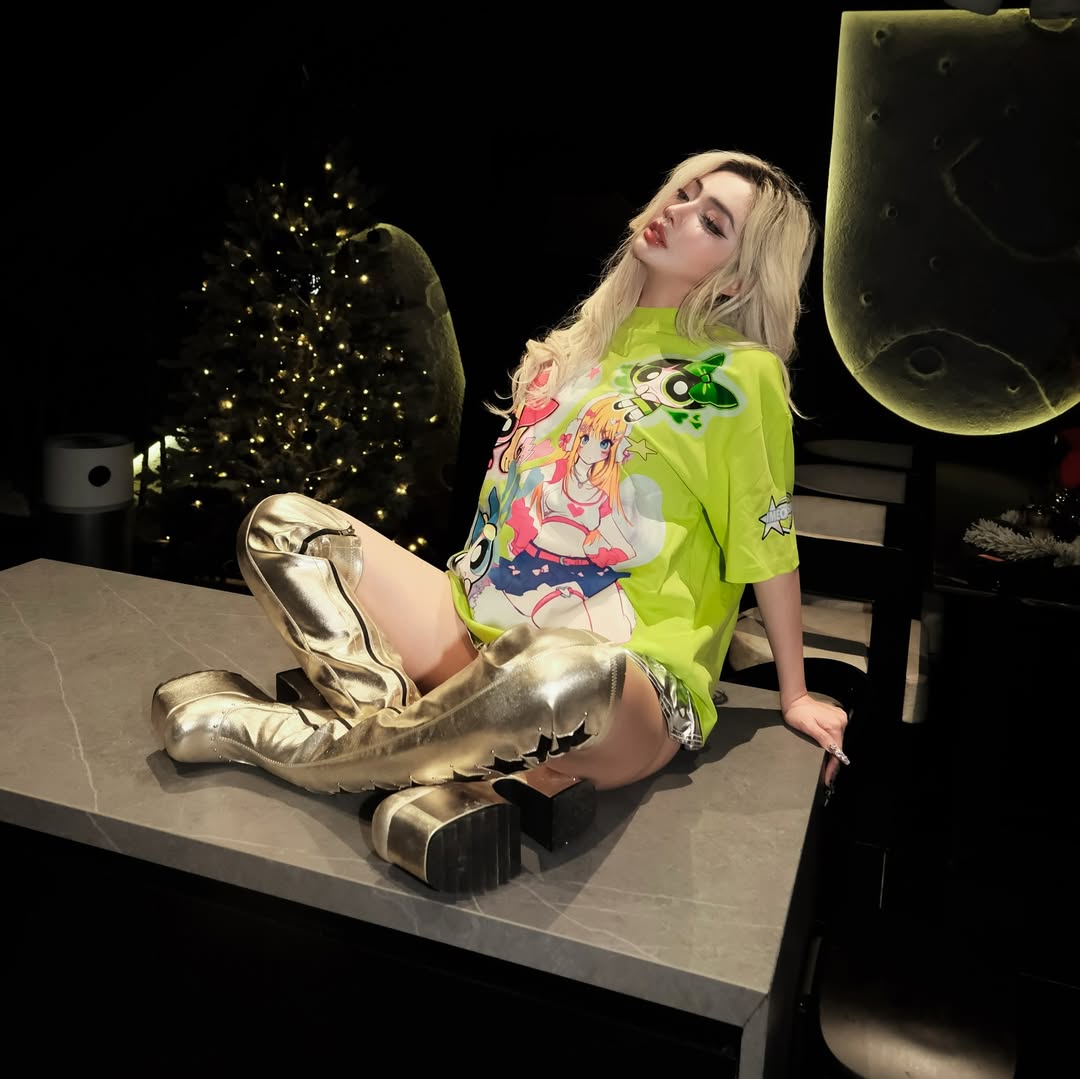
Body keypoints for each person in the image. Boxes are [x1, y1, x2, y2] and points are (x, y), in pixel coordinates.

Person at [152, 149, 849, 892]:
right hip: (473, 637)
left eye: (711, 221)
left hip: (612, 689)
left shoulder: (736, 376)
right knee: (282, 527)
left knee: (556, 670)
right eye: (683, 193)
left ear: (736, 277)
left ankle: (271, 738)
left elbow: (766, 542)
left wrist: (795, 692)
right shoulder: (569, 351)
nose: (677, 212)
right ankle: (430, 752)